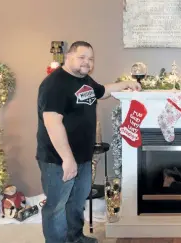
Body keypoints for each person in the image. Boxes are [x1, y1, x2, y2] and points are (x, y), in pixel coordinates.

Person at [36, 41, 141, 243]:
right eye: (82, 57)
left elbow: (103, 91)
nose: (87, 62)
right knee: (56, 207)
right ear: (68, 57)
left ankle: (75, 238)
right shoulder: (54, 84)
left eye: (91, 59)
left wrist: (127, 84)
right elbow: (52, 123)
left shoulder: (84, 80)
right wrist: (67, 159)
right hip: (58, 160)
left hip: (83, 156)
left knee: (76, 202)